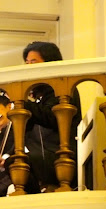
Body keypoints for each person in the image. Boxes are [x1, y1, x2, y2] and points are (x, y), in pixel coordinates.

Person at [21, 41, 82, 192]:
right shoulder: (40, 95)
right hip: (45, 156)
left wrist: (23, 103)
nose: (28, 66)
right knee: (17, 163)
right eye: (26, 62)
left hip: (62, 156)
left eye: (33, 62)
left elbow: (52, 117)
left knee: (20, 164)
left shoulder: (63, 87)